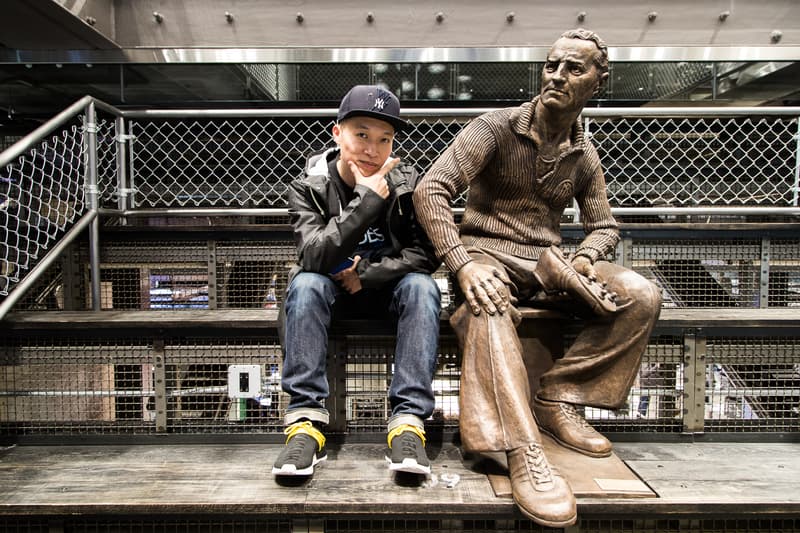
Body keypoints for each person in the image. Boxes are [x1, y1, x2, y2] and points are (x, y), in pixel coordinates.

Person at [414, 29, 662, 527]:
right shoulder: (495, 128)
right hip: (486, 254)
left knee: (641, 294)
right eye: (552, 65)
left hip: (549, 264)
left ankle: (559, 399)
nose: (557, 76)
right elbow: (430, 190)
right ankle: (521, 446)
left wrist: (587, 260)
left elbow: (604, 224)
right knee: (487, 303)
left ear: (598, 81)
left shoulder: (583, 154)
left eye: (574, 68)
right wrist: (461, 262)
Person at [273, 85, 442, 478]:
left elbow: (427, 254)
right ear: (337, 134)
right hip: (329, 293)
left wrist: (366, 275)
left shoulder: (407, 183)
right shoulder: (308, 187)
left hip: (383, 291)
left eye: (384, 139)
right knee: (305, 285)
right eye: (361, 134)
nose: (372, 149)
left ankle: (407, 425)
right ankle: (305, 426)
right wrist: (366, 200)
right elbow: (313, 256)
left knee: (422, 287)